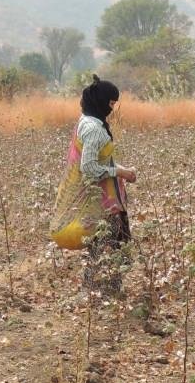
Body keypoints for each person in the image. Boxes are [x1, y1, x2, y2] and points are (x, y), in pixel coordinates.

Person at [51, 75, 136, 295]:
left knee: (104, 245)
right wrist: (120, 172)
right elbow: (88, 167)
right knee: (114, 246)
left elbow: (98, 160)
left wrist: (122, 171)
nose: (112, 108)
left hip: (100, 197)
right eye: (110, 103)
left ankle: (96, 290)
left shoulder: (86, 121)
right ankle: (105, 292)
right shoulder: (95, 130)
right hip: (101, 200)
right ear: (101, 101)